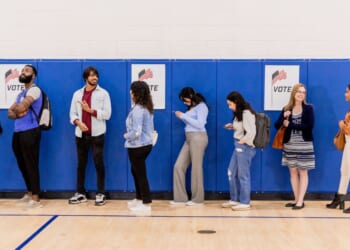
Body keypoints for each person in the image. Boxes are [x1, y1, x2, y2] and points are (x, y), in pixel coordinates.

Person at [69, 66, 111, 206]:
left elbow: (107, 114)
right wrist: (78, 122)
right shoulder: (77, 94)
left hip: (97, 135)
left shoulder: (103, 93)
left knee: (99, 164)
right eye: (92, 75)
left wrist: (90, 110)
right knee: (81, 165)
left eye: (96, 75)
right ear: (86, 78)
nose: (95, 78)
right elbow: (72, 114)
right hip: (81, 135)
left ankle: (101, 193)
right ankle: (80, 193)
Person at [274, 83, 315, 210]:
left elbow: (309, 126)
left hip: (304, 145)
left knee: (303, 172)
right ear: (294, 93)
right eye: (299, 91)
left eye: (303, 92)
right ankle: (296, 199)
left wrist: (290, 124)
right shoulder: (287, 108)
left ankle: (301, 201)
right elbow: (277, 125)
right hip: (289, 145)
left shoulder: (308, 108)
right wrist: (284, 118)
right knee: (292, 173)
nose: (301, 94)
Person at [7, 65, 43, 208]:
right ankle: (29, 192)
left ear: (33, 76)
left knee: (31, 164)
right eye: (22, 71)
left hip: (30, 131)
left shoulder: (34, 90)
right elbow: (10, 113)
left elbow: (21, 108)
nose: (23, 72)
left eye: (27, 71)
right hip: (18, 132)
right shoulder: (21, 93)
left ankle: (35, 198)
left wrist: (19, 109)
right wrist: (18, 111)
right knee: (22, 164)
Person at [170, 87, 209, 206]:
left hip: (198, 137)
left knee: (196, 168)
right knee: (178, 166)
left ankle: (197, 200)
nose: (184, 102)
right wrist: (183, 116)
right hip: (189, 138)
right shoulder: (192, 108)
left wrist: (183, 116)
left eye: (185, 100)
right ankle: (180, 199)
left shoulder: (202, 106)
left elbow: (200, 124)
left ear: (191, 96)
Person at [221, 91, 257, 211]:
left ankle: (245, 202)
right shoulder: (239, 114)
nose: (229, 107)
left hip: (244, 147)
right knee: (231, 172)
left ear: (236, 102)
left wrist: (243, 141)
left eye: (230, 104)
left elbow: (251, 131)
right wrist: (232, 126)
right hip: (238, 146)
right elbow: (242, 128)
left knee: (243, 175)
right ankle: (234, 199)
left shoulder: (246, 113)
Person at [124, 81, 154, 212]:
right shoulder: (145, 107)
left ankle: (146, 202)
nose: (130, 93)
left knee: (140, 173)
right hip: (144, 144)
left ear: (136, 93)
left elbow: (136, 132)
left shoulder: (138, 110)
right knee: (136, 171)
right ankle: (139, 198)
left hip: (137, 146)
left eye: (132, 91)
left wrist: (126, 136)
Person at [326, 84, 350, 213]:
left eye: (347, 91)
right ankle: (340, 197)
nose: (345, 94)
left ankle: (340, 197)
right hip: (348, 142)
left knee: (347, 170)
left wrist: (342, 125)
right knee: (344, 170)